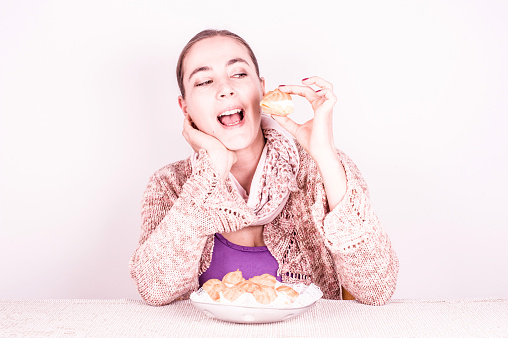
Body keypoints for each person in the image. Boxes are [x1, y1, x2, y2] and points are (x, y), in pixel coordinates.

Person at [129, 29, 399, 306]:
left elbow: (375, 289)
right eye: (205, 81)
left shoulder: (318, 169)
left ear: (261, 88)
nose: (225, 89)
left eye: (239, 74)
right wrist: (211, 171)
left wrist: (325, 156)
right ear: (184, 107)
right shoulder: (170, 184)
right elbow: (155, 290)